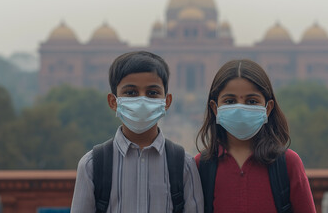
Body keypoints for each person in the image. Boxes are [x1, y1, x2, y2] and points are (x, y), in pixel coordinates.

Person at [71, 51, 204, 213]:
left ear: (167, 102)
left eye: (152, 93)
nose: (142, 100)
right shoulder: (93, 165)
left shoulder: (183, 165)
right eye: (131, 93)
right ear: (113, 102)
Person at [195, 59, 315, 213]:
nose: (240, 108)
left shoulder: (287, 164)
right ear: (215, 108)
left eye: (251, 101)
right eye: (230, 101)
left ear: (268, 107)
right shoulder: (202, 166)